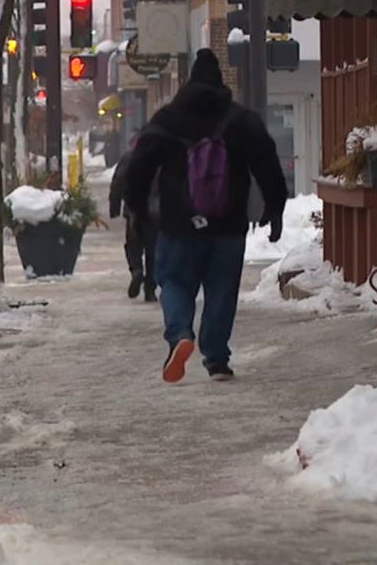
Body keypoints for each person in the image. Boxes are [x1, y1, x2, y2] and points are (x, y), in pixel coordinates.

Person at [124, 49, 288, 383]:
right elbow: (268, 164)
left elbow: (137, 168)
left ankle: (180, 333)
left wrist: (138, 212)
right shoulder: (241, 120)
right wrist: (275, 207)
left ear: (188, 82)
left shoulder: (166, 119)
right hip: (227, 225)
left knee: (174, 282)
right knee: (222, 290)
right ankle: (216, 360)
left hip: (178, 224)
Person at [108, 134, 158, 302]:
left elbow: (118, 181)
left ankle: (136, 269)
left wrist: (114, 206)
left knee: (133, 244)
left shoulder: (130, 156)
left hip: (135, 210)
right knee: (154, 250)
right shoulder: (162, 157)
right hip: (158, 212)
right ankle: (150, 287)